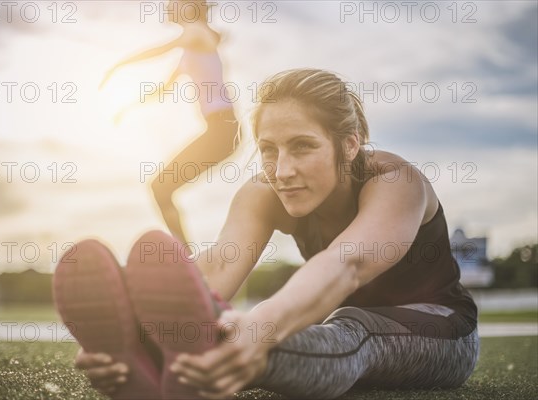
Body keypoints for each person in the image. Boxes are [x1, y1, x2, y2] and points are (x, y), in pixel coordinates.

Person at [60, 68, 479, 399]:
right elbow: (220, 265)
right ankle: (173, 365)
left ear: (349, 145)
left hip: (443, 333)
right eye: (268, 149)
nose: (282, 171)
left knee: (351, 325)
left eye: (302, 146)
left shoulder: (395, 181)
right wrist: (135, 338)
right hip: (337, 328)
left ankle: (240, 363)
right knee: (235, 321)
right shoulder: (264, 192)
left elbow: (347, 264)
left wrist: (257, 331)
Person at [99, 0, 238, 245]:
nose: (167, 5)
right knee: (161, 189)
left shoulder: (195, 31)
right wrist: (127, 108)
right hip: (219, 130)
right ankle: (187, 256)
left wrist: (117, 67)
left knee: (161, 188)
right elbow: (162, 90)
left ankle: (188, 258)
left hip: (223, 129)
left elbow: (160, 50)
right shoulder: (189, 51)